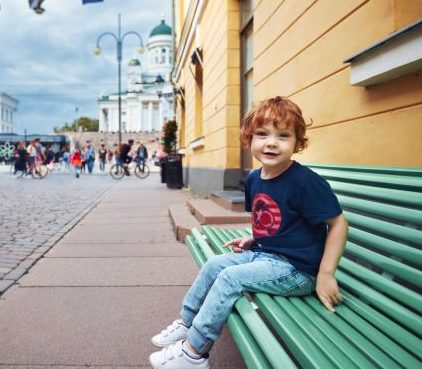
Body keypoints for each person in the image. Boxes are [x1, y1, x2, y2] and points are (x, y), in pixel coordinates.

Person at [149, 96, 348, 369]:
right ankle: (188, 322)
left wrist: (325, 274)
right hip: (266, 255)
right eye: (262, 134)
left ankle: (193, 353)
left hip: (298, 271)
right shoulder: (254, 178)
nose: (271, 142)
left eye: (283, 135)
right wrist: (255, 237)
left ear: (297, 141)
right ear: (249, 139)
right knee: (214, 264)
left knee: (230, 279)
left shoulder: (305, 182)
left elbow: (338, 223)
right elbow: (275, 219)